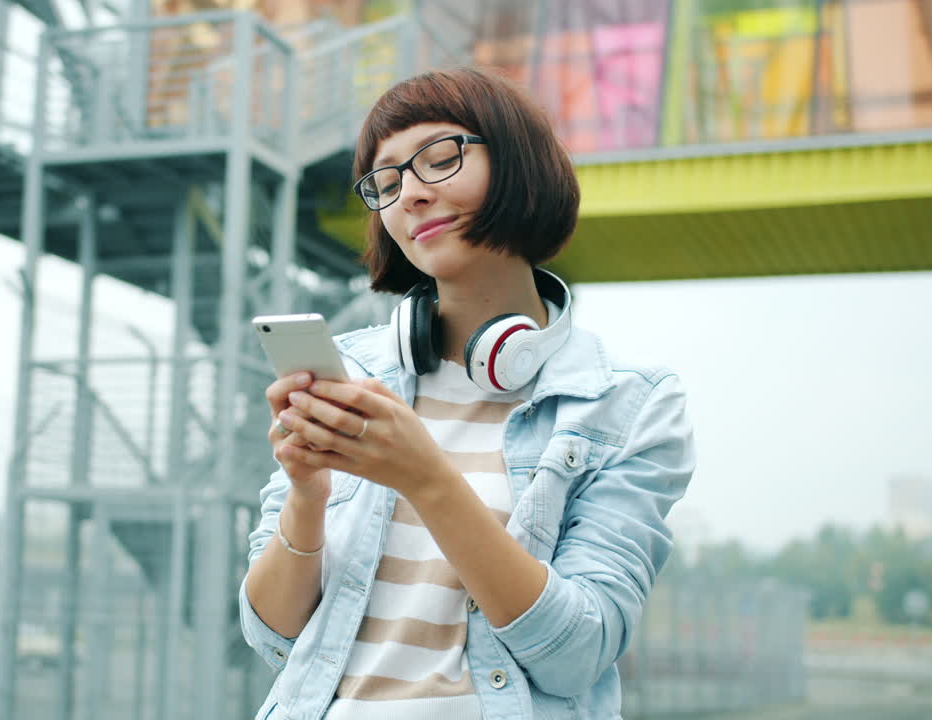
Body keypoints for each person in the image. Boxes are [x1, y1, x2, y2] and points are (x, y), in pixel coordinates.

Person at [239, 66, 696, 720]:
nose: (410, 196)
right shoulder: (351, 373)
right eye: (387, 181)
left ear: (517, 164)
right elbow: (271, 637)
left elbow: (579, 653)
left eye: (439, 156)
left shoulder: (630, 405)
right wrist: (307, 497)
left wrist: (427, 479)